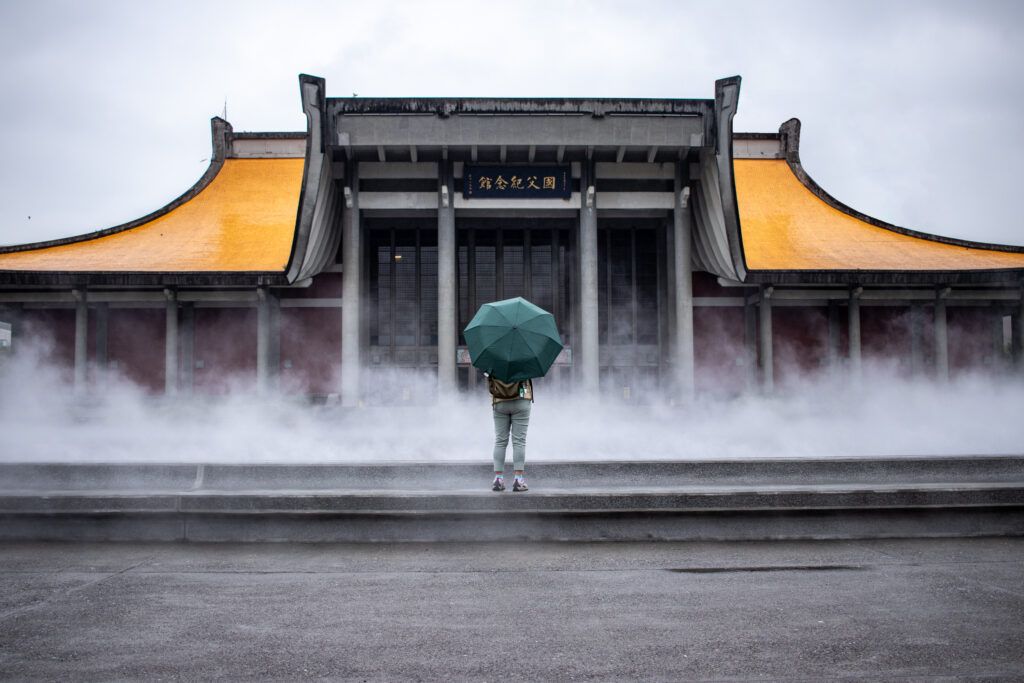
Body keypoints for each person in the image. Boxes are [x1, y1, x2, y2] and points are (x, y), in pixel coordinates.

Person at [486, 373, 533, 492]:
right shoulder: (524, 356)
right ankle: (518, 479)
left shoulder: (495, 357)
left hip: (499, 400)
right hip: (521, 399)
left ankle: (498, 479)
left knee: (500, 441)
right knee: (519, 441)